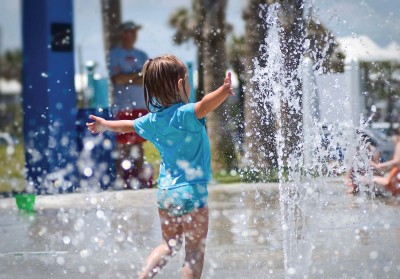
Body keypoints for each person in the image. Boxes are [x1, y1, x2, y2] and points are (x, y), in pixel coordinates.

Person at [87, 55, 234, 278]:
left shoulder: (152, 121)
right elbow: (206, 104)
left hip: (166, 194)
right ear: (180, 84)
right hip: (191, 192)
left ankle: (143, 276)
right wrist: (223, 91)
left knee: (169, 244)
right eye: (187, 80)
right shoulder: (186, 114)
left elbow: (127, 126)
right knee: (193, 250)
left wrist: (104, 124)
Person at [109, 20, 150, 189]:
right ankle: (122, 181)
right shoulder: (115, 54)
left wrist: (128, 77)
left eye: (133, 32)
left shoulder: (141, 54)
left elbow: (146, 78)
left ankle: (139, 180)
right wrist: (136, 76)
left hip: (140, 105)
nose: (130, 35)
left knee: (138, 145)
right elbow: (117, 79)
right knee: (123, 146)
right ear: (122, 34)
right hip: (123, 107)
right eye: (127, 32)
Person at [370, 127, 400, 196]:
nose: (391, 140)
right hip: (396, 172)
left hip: (397, 172)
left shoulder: (399, 144)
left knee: (372, 180)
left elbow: (397, 161)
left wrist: (379, 166)